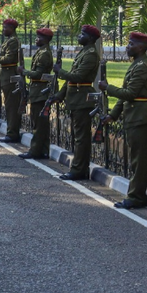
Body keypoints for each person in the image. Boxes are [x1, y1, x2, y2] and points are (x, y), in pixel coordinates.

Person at [99, 31, 147, 208]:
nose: (128, 47)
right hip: (134, 116)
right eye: (128, 44)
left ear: (142, 47)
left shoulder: (142, 66)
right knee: (137, 158)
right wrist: (113, 115)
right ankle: (138, 194)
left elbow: (130, 94)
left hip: (140, 117)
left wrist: (108, 88)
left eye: (131, 44)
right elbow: (125, 94)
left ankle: (136, 197)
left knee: (139, 160)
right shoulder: (137, 64)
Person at [50, 24, 100, 180]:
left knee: (81, 138)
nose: (79, 36)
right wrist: (60, 94)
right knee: (78, 136)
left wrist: (60, 72)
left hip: (82, 99)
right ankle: (78, 167)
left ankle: (79, 170)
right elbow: (72, 79)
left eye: (82, 34)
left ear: (91, 38)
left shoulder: (91, 54)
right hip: (75, 98)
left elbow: (78, 77)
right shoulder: (84, 52)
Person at [17, 28, 54, 160]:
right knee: (40, 123)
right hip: (37, 89)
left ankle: (35, 151)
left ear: (45, 39)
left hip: (40, 90)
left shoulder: (44, 54)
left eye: (39, 37)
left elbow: (39, 74)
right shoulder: (42, 51)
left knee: (38, 123)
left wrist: (24, 72)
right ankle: (43, 150)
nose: (36, 39)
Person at [0, 18, 21, 143]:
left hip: (10, 76)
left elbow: (9, 59)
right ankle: (10, 131)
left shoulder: (13, 41)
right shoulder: (8, 40)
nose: (3, 30)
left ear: (12, 29)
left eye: (6, 28)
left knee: (11, 106)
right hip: (5, 75)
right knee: (8, 106)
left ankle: (13, 133)